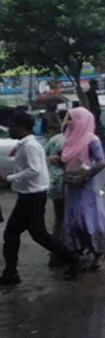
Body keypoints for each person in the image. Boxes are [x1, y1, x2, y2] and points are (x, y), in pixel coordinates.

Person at [0, 111, 81, 285]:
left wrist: (9, 178)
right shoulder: (27, 144)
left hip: (32, 196)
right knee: (15, 234)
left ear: (21, 127)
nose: (10, 129)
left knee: (37, 235)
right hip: (28, 195)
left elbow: (34, 170)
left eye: (12, 126)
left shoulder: (30, 146)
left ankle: (73, 258)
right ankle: (10, 272)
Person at [61, 107, 105, 274]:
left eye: (72, 118)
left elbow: (100, 162)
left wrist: (83, 177)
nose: (68, 122)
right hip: (71, 185)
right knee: (74, 220)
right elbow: (65, 159)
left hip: (86, 186)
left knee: (89, 218)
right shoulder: (68, 139)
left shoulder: (91, 139)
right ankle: (80, 251)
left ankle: (99, 252)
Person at [44, 111, 67, 240]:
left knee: (59, 216)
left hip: (54, 183)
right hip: (67, 183)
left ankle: (57, 241)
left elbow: (44, 154)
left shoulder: (54, 139)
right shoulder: (73, 140)